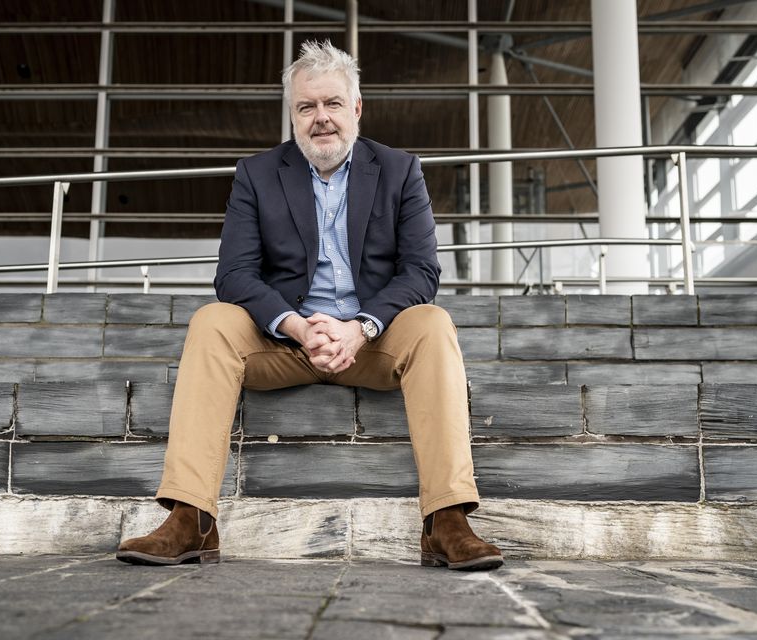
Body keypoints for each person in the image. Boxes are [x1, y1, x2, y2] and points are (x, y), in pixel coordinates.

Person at [117, 40, 503, 571]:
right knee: (212, 322)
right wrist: (297, 327)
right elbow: (233, 275)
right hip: (284, 343)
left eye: (332, 104)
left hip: (372, 344)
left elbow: (421, 273)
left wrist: (360, 328)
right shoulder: (257, 174)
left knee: (433, 324)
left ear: (357, 108)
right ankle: (192, 520)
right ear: (293, 115)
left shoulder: (400, 170)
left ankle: (447, 521)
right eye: (306, 107)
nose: (321, 118)